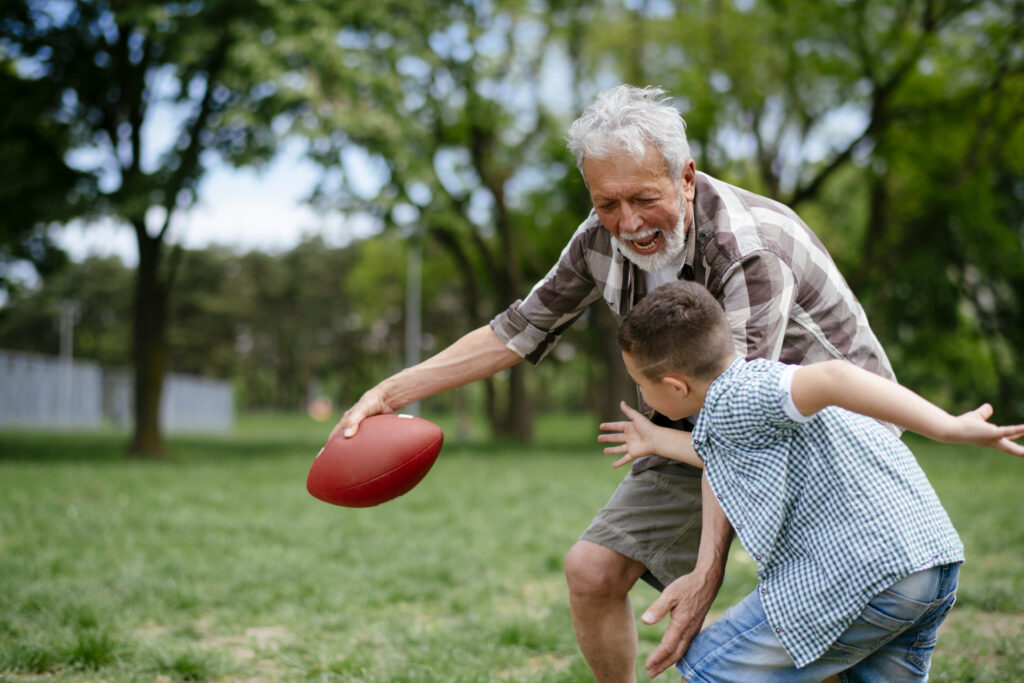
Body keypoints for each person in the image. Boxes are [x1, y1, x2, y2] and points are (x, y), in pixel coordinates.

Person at [333, 84, 896, 682]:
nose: (628, 224)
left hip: (827, 437)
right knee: (591, 570)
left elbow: (740, 420)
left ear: (685, 176)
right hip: (694, 427)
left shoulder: (748, 248)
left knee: (810, 627)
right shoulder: (600, 239)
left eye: (643, 198)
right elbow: (518, 329)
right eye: (607, 203)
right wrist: (388, 394)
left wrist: (705, 577)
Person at [599, 280, 1024, 681]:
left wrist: (949, 427)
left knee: (711, 669)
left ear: (675, 387)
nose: (640, 392)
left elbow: (834, 378)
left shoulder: (741, 395)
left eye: (641, 383)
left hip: (863, 574)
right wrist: (655, 438)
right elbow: (719, 448)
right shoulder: (739, 409)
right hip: (929, 563)